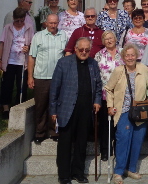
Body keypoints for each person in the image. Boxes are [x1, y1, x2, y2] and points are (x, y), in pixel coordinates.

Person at [50, 37, 102, 184]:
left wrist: (97, 101)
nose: (84, 52)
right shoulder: (63, 63)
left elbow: (98, 86)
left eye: (87, 50)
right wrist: (53, 110)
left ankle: (78, 173)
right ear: (75, 49)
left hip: (86, 110)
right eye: (81, 49)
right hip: (67, 109)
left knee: (81, 143)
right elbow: (54, 88)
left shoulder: (93, 64)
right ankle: (64, 175)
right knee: (65, 143)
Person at [106, 44, 148, 184]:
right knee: (123, 141)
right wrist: (110, 106)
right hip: (124, 111)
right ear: (123, 57)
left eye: (132, 55)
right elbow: (108, 89)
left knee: (137, 141)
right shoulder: (119, 70)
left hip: (141, 111)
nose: (130, 58)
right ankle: (118, 172)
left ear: (137, 56)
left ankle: (131, 169)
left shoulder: (143, 69)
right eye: (127, 55)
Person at [27, 14, 68, 143]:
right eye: (51, 23)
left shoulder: (63, 35)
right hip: (41, 76)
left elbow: (67, 55)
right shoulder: (38, 36)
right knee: (41, 105)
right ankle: (40, 133)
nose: (53, 25)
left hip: (58, 77)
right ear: (46, 23)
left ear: (58, 23)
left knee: (55, 106)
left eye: (55, 23)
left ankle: (53, 131)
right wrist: (30, 76)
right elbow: (31, 57)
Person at [0, 7, 34, 119]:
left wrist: (28, 47)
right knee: (7, 85)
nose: (20, 23)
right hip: (9, 61)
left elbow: (33, 43)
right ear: (13, 18)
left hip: (23, 62)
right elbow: (2, 44)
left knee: (21, 87)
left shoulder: (29, 27)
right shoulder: (7, 28)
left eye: (22, 20)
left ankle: (19, 108)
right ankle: (6, 109)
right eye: (17, 21)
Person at [95, 31, 124, 162]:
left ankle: (118, 150)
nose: (109, 40)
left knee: (118, 124)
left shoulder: (123, 53)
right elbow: (96, 75)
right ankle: (105, 150)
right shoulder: (99, 55)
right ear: (103, 41)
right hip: (104, 94)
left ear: (115, 39)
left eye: (111, 38)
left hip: (120, 95)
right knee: (105, 124)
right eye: (106, 39)